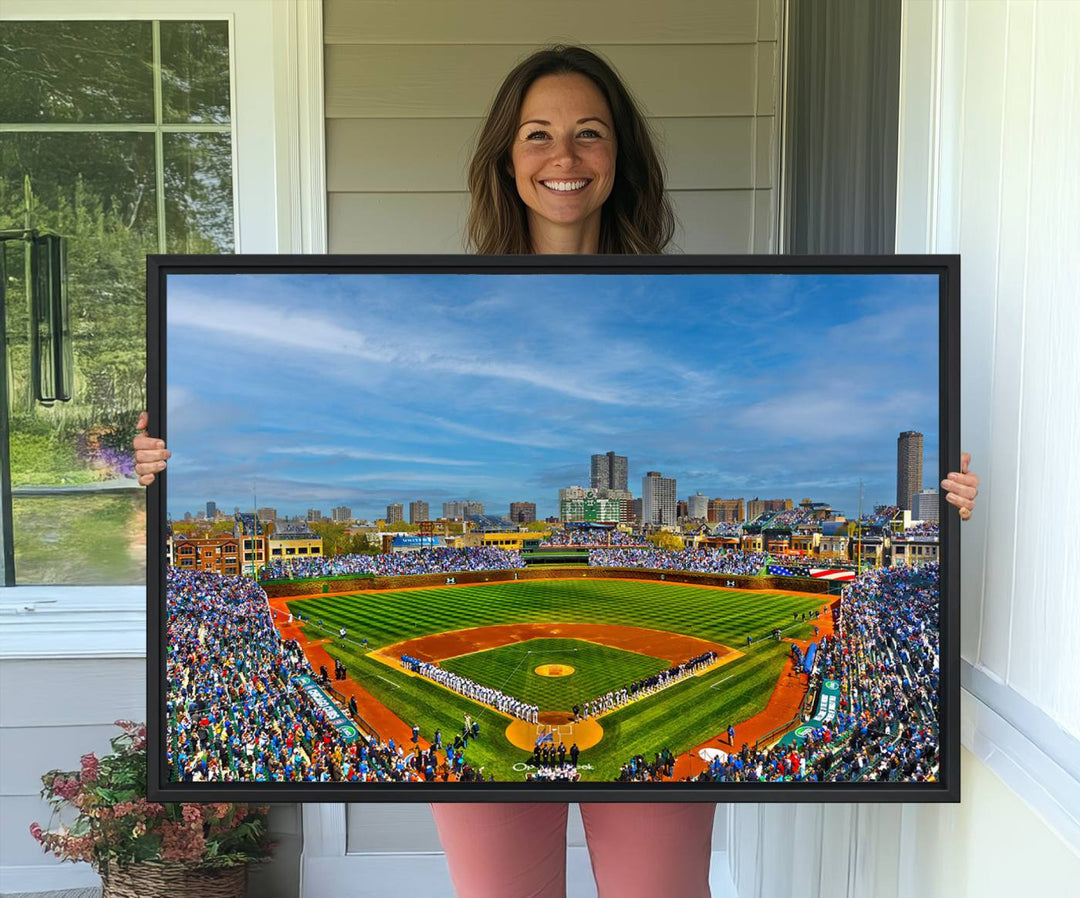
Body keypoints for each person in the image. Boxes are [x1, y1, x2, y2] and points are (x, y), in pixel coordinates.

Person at [135, 43, 981, 898]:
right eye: (537, 134)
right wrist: (161, 467)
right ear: (507, 158)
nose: (563, 157)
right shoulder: (457, 302)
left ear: (620, 158)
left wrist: (943, 506)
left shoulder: (675, 298)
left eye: (589, 133)